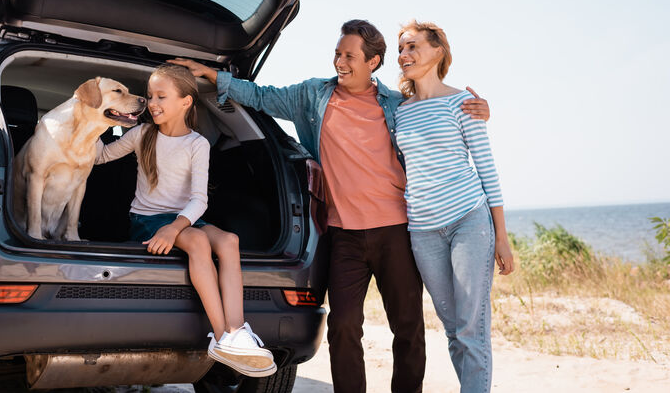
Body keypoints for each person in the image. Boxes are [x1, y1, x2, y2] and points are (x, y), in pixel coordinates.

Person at [169, 20, 490, 393]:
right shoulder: (312, 97)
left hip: (396, 231)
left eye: (350, 56)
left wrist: (477, 109)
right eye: (338, 54)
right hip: (344, 236)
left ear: (373, 61)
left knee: (408, 327)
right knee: (343, 327)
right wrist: (215, 76)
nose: (340, 62)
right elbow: (261, 95)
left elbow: (435, 116)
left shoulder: (396, 105)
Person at [94, 63, 276, 378]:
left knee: (230, 241)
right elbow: (101, 157)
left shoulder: (197, 144)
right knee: (198, 241)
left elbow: (198, 200)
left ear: (185, 102)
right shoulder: (142, 133)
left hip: (182, 219)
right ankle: (220, 338)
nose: (152, 103)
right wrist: (97, 121)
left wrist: (176, 226)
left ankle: (238, 332)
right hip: (147, 218)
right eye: (151, 96)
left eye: (161, 97)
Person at [394, 20, 513, 393]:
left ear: (438, 51)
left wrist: (502, 237)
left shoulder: (463, 103)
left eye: (412, 46)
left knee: (470, 328)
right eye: (401, 49)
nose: (404, 55)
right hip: (423, 230)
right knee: (452, 330)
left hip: (469, 221)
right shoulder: (399, 110)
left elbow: (487, 168)